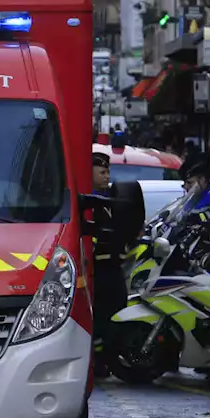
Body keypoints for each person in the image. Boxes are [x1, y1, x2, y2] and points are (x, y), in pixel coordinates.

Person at [89, 152, 127, 377]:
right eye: (102, 172)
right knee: (102, 317)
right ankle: (100, 361)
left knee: (115, 312)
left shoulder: (107, 198)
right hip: (100, 269)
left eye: (108, 172)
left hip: (113, 266)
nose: (106, 176)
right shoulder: (90, 201)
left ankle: (107, 358)